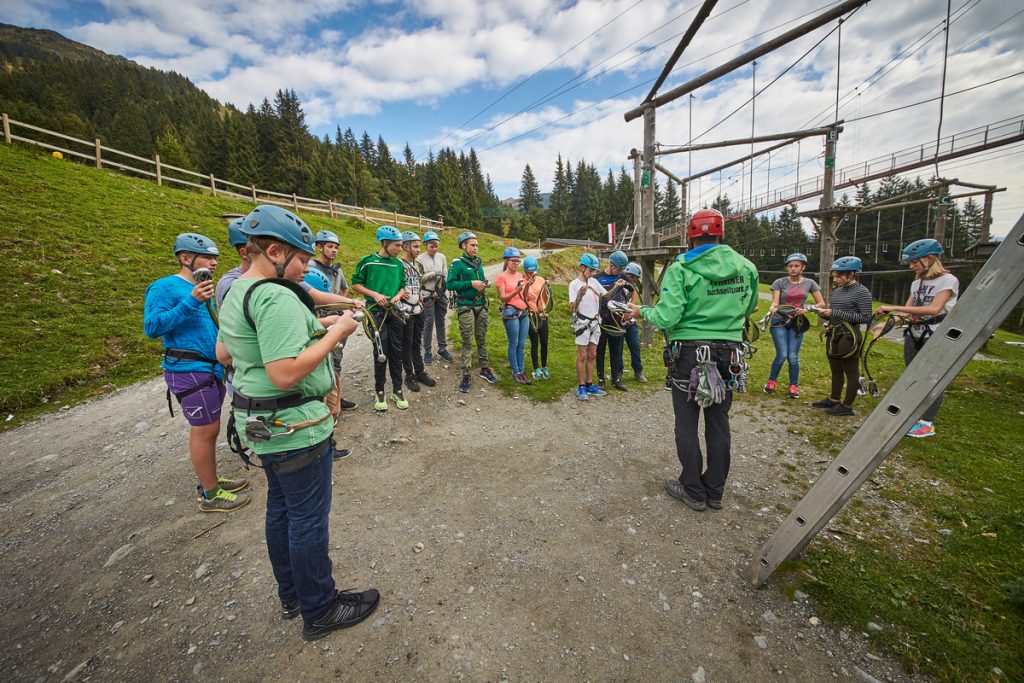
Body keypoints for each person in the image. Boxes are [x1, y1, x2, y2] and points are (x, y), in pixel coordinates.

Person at [215, 204, 379, 641]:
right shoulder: (273, 294)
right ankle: (320, 607)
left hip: (262, 424)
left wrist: (312, 325)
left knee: (282, 510)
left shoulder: (237, 292)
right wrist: (337, 332)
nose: (307, 268)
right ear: (274, 251)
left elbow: (226, 353)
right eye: (303, 259)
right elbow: (285, 372)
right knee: (308, 517)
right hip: (294, 425)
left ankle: (291, 595)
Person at [630, 208, 759, 512]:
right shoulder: (745, 267)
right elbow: (750, 306)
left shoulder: (681, 268)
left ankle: (692, 489)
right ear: (720, 233)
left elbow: (667, 316)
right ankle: (714, 491)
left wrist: (641, 312)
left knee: (686, 424)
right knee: (718, 422)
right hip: (729, 352)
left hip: (689, 352)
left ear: (690, 236)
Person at [144, 232, 249, 512]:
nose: (214, 262)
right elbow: (152, 327)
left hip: (211, 367)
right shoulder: (164, 288)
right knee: (205, 430)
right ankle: (210, 495)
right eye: (207, 257)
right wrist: (190, 301)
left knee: (211, 428)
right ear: (186, 258)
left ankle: (210, 480)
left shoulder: (206, 287)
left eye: (216, 257)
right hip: (188, 368)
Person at [876, 239, 958, 438]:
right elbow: (906, 312)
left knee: (930, 377)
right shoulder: (917, 283)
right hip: (914, 334)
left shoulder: (948, 280)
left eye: (914, 262)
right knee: (912, 375)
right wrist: (884, 326)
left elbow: (934, 308)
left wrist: (893, 307)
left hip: (936, 334)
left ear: (929, 258)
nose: (911, 266)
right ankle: (912, 414)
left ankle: (927, 422)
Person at [352, 226, 409, 411]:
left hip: (394, 311)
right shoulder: (368, 262)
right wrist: (375, 295)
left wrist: (398, 296)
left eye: (401, 245)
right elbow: (356, 284)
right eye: (397, 245)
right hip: (375, 313)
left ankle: (397, 389)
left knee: (397, 351)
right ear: (384, 243)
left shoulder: (398, 264)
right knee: (381, 352)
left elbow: (403, 286)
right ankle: (380, 391)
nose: (400, 248)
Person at [812, 256, 873, 417]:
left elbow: (866, 317)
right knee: (836, 370)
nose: (836, 279)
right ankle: (834, 400)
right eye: (834, 276)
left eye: (839, 276)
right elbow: (835, 314)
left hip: (850, 336)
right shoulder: (838, 291)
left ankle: (847, 406)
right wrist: (824, 315)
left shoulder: (862, 292)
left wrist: (835, 313)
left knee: (851, 371)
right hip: (834, 333)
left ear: (852, 273)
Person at [763, 253, 825, 399]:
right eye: (790, 266)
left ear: (802, 267)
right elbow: (775, 302)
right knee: (782, 354)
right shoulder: (779, 282)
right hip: (779, 321)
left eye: (796, 266)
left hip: (797, 323)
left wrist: (807, 309)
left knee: (793, 357)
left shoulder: (810, 283)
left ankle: (793, 386)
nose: (793, 269)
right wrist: (772, 308)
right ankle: (771, 382)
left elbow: (821, 303)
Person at [309, 230, 357, 412]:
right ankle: (319, 404)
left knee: (336, 358)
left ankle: (335, 400)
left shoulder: (337, 271)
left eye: (336, 247)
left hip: (335, 318)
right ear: (319, 247)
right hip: (318, 319)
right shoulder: (310, 268)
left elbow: (344, 289)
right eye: (330, 246)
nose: (334, 250)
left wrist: (338, 304)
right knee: (318, 359)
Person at [447, 231, 498, 393]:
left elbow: (479, 281)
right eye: (472, 245)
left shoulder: (478, 262)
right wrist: (471, 283)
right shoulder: (457, 264)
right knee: (467, 340)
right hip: (466, 306)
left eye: (477, 245)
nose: (476, 248)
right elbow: (450, 284)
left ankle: (484, 368)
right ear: (463, 246)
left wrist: (484, 283)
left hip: (481, 305)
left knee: (482, 338)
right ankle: (466, 374)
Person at [398, 231, 436, 392]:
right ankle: (409, 375)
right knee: (406, 345)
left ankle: (420, 372)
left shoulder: (417, 265)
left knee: (416, 342)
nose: (418, 249)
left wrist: (420, 294)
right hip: (405, 310)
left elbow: (418, 283)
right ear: (405, 246)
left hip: (419, 308)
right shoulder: (398, 265)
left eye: (419, 246)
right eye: (415, 246)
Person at [569, 253, 608, 401]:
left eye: (594, 270)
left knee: (592, 354)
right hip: (583, 323)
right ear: (582, 267)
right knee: (582, 355)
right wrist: (579, 296)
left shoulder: (594, 282)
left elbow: (606, 296)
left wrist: (616, 287)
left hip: (595, 322)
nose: (592, 273)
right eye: (590, 270)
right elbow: (572, 308)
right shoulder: (574, 285)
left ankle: (590, 383)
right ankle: (581, 386)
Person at [416, 231, 455, 364]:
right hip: (427, 295)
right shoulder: (420, 259)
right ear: (426, 245)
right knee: (428, 323)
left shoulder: (442, 257)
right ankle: (427, 350)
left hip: (441, 294)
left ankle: (442, 349)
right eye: (432, 246)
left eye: (436, 246)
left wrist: (442, 291)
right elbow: (419, 278)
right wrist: (434, 273)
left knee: (441, 322)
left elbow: (445, 274)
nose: (434, 249)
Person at [595, 250, 632, 391]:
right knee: (600, 351)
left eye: (622, 269)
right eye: (619, 268)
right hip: (602, 319)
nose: (620, 272)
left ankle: (616, 379)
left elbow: (633, 292)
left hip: (617, 320)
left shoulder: (623, 277)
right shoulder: (598, 278)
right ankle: (600, 379)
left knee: (617, 351)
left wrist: (628, 312)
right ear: (611, 264)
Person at [495, 247, 531, 384]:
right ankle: (515, 371)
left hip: (523, 312)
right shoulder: (501, 277)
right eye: (513, 261)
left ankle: (521, 371)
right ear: (506, 261)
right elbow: (503, 298)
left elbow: (522, 295)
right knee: (513, 343)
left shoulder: (519, 275)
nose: (515, 264)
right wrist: (516, 290)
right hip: (511, 312)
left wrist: (527, 291)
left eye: (517, 261)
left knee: (521, 344)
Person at [522, 256, 551, 381]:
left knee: (544, 342)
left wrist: (547, 287)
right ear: (525, 271)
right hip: (531, 316)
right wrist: (528, 285)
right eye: (529, 272)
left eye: (533, 271)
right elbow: (523, 297)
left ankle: (544, 366)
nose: (531, 274)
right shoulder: (523, 283)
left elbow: (545, 297)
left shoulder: (540, 280)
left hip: (542, 314)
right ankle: (536, 368)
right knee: (535, 342)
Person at [621, 262, 647, 383]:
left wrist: (627, 312)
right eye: (633, 277)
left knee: (635, 347)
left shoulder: (633, 288)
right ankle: (618, 372)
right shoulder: (619, 284)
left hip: (630, 322)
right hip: (618, 321)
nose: (634, 280)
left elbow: (633, 303)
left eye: (635, 278)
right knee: (618, 349)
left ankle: (638, 371)